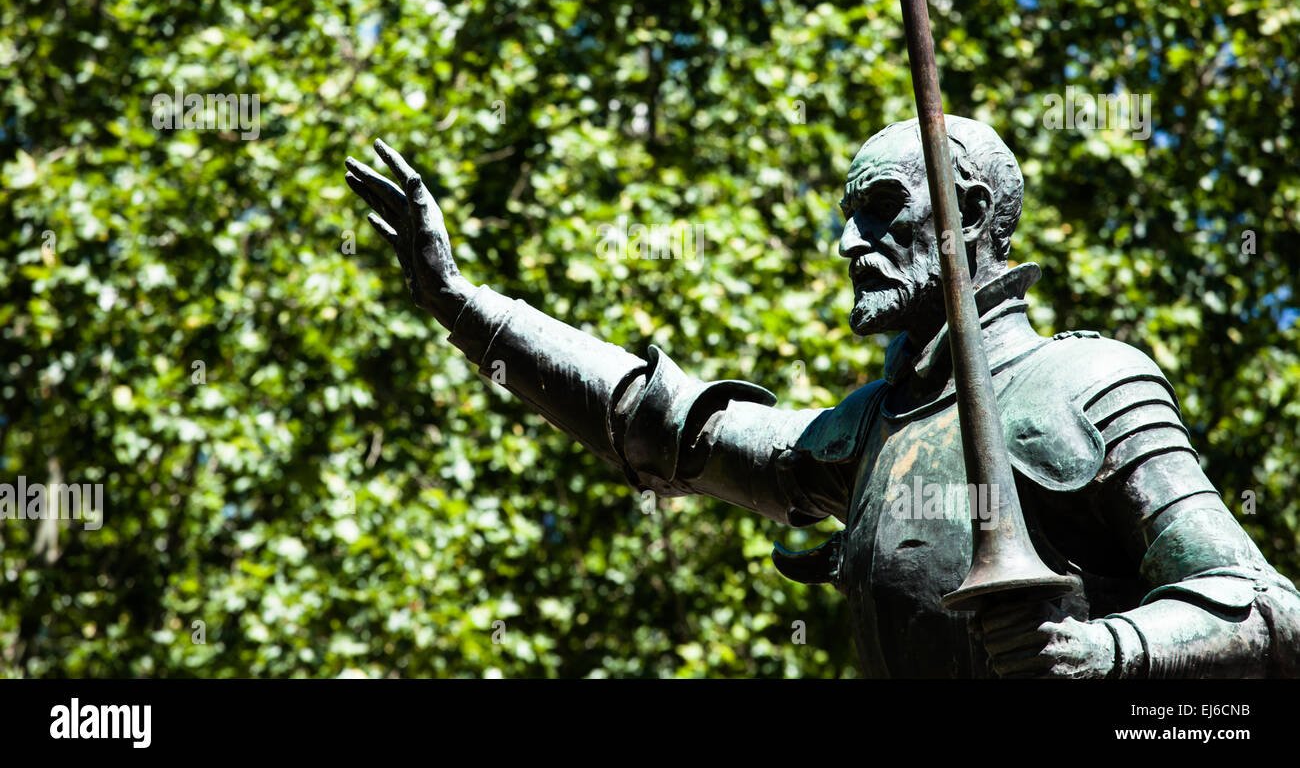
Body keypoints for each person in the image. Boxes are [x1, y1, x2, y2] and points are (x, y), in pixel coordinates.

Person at [344, 115, 1300, 677]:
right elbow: (667, 425)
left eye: (880, 210)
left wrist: (1114, 653)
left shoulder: (1085, 384)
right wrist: (462, 303)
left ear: (968, 213)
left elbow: (1265, 605)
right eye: (846, 218)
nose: (850, 242)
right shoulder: (866, 431)